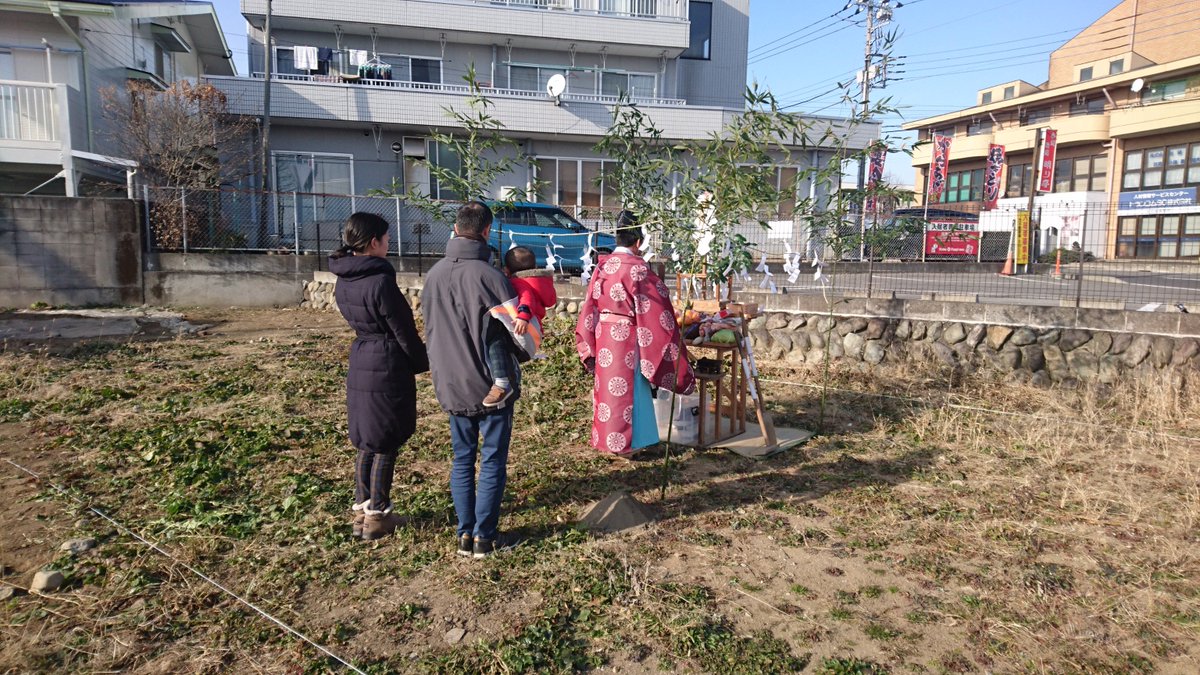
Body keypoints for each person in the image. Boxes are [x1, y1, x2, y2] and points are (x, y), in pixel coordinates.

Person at [422, 201, 522, 558]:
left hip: (450, 381)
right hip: (490, 386)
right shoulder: (490, 277)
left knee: (462, 459)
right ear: (486, 232)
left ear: (454, 227)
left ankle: (465, 534)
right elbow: (519, 332)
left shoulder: (432, 275)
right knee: (492, 459)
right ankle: (485, 538)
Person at [328, 212, 428, 540]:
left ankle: (361, 509)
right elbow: (403, 331)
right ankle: (378, 516)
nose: (389, 243)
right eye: (386, 238)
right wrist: (422, 361)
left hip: (361, 358)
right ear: (374, 242)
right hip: (386, 363)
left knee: (367, 440)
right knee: (386, 439)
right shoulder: (380, 281)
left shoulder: (344, 279)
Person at [575, 211, 695, 459]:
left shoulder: (602, 266)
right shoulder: (638, 270)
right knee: (631, 392)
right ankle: (633, 444)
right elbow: (657, 311)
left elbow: (590, 306)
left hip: (603, 334)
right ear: (638, 242)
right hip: (627, 338)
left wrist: (591, 339)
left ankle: (609, 440)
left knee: (608, 391)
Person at [481, 246, 557, 407]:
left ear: (506, 270)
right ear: (534, 267)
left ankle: (501, 382)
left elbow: (526, 298)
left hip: (526, 327)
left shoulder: (519, 282)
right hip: (535, 331)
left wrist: (523, 316)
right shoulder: (536, 281)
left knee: (496, 341)